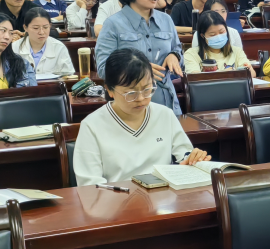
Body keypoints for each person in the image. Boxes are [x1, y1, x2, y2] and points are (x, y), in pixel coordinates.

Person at [73, 49, 210, 186]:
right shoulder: (92, 126)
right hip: (117, 197)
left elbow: (185, 154)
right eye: (130, 93)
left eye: (147, 89)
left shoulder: (165, 115)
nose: (140, 99)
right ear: (110, 90)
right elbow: (89, 186)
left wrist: (193, 158)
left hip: (162, 195)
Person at [96, 0, 184, 116]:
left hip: (168, 106)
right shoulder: (113, 24)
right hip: (131, 108)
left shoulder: (166, 20)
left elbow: (178, 51)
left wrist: (174, 56)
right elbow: (104, 69)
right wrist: (140, 71)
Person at [183, 12, 254, 76]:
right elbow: (195, 79)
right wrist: (223, 74)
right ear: (202, 36)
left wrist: (249, 69)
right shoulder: (192, 54)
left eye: (221, 32)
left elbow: (253, 74)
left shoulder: (236, 51)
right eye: (212, 34)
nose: (218, 37)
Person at [13, 8, 74, 77]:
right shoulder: (14, 47)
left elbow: (68, 76)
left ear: (50, 26)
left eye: (45, 27)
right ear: (25, 28)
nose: (41, 32)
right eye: (36, 28)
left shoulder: (59, 47)